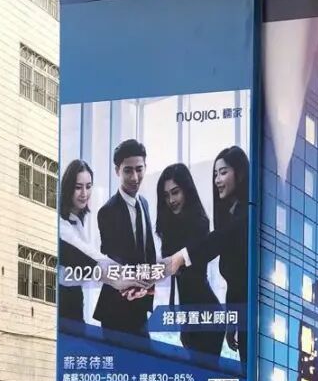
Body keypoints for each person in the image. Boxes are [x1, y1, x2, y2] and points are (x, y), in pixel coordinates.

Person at [164, 146, 249, 359]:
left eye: (223, 172)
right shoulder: (230, 214)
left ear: (239, 173)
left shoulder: (246, 214)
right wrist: (232, 323)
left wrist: (181, 257)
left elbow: (217, 240)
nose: (217, 180)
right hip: (231, 315)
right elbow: (236, 282)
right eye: (215, 174)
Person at [57, 160, 146, 321]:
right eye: (78, 187)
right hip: (61, 301)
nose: (84, 193)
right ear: (68, 188)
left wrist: (127, 277)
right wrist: (118, 277)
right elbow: (86, 255)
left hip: (75, 298)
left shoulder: (77, 219)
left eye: (88, 186)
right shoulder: (61, 224)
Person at [155, 163, 223, 356]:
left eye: (175, 192)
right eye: (166, 195)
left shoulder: (199, 223)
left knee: (205, 372)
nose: (171, 200)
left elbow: (179, 266)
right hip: (189, 317)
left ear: (186, 190)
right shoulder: (170, 226)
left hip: (207, 316)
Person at [94, 139, 157, 335]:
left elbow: (148, 251)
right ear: (117, 171)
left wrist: (149, 288)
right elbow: (114, 259)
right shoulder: (107, 211)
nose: (135, 177)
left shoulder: (144, 204)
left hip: (140, 307)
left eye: (139, 169)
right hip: (116, 309)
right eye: (128, 170)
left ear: (145, 167)